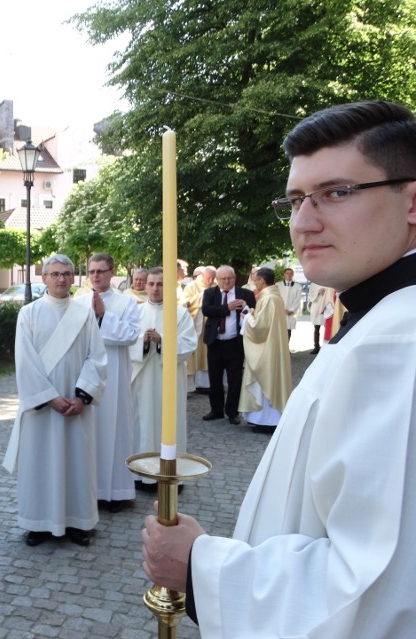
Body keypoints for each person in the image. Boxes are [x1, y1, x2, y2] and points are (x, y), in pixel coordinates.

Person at [142, 100, 416, 638]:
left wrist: (199, 569)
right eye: (294, 200)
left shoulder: (397, 343)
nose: (302, 223)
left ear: (412, 202)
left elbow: (374, 590)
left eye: (337, 193)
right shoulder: (375, 322)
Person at [3, 254, 107, 547]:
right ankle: (38, 522)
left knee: (76, 463)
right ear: (44, 278)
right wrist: (49, 398)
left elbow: (97, 357)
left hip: (76, 406)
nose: (61, 279)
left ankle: (78, 522)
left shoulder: (84, 314)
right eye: (55, 274)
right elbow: (24, 361)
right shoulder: (29, 313)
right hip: (43, 410)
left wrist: (82, 397)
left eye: (66, 274)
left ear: (73, 278)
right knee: (40, 463)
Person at [76, 253, 141, 512]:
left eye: (101, 271)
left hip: (114, 376)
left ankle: (115, 492)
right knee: (88, 433)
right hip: (86, 373)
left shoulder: (127, 303)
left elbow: (131, 335)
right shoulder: (78, 302)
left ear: (112, 272)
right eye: (92, 271)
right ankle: (88, 490)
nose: (96, 276)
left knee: (115, 431)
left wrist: (103, 316)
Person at [129, 268, 197, 479]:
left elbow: (188, 344)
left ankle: (169, 471)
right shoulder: (136, 312)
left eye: (160, 284)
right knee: (142, 423)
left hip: (168, 380)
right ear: (145, 285)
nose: (155, 288)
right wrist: (144, 341)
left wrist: (163, 341)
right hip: (143, 378)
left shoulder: (179, 313)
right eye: (151, 284)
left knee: (169, 423)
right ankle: (142, 473)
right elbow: (127, 343)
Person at [201, 265, 256, 424]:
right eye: (223, 279)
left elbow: (253, 312)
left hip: (235, 343)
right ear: (217, 280)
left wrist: (245, 306)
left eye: (229, 278)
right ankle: (216, 410)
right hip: (215, 342)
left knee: (235, 379)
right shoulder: (210, 293)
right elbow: (207, 310)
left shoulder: (245, 294)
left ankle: (232, 412)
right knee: (215, 378)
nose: (226, 281)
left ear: (234, 278)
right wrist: (227, 307)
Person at [239, 267, 292, 427]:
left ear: (262, 280)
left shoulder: (268, 298)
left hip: (267, 349)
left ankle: (265, 420)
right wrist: (252, 312)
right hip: (272, 346)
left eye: (256, 280)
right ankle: (266, 419)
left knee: (265, 377)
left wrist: (247, 317)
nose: (254, 283)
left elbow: (259, 328)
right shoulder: (274, 296)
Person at [184, 265, 215, 391]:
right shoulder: (192, 286)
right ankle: (195, 384)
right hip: (196, 322)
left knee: (208, 353)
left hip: (210, 324)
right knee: (195, 352)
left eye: (213, 278)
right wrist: (201, 297)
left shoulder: (215, 286)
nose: (210, 281)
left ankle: (207, 384)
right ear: (202, 276)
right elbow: (186, 302)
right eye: (208, 278)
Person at [276, 267, 303, 341]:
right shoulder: (278, 285)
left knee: (288, 330)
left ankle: (286, 349)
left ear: (293, 275)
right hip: (280, 311)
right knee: (279, 330)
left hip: (291, 312)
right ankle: (279, 349)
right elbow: (276, 297)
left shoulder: (297, 286)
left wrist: (291, 310)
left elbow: (298, 299)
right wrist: (282, 309)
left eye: (291, 273)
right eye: (287, 273)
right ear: (284, 274)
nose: (289, 275)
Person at [306, 281, 327, 353]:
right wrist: (318, 292)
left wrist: (325, 291)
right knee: (316, 328)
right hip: (316, 306)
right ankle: (316, 347)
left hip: (327, 306)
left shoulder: (328, 281)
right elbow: (310, 295)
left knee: (328, 328)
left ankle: (327, 346)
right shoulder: (314, 283)